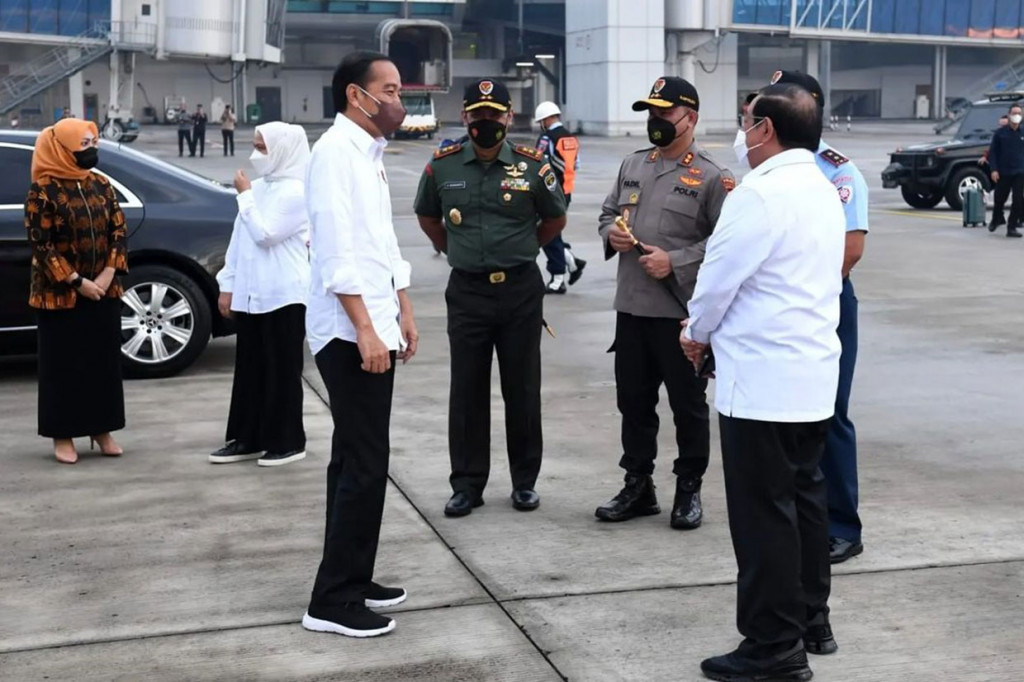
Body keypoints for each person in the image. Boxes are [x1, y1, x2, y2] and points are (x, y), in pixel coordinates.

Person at [680, 83, 845, 681]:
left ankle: (773, 647)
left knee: (763, 516)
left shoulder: (761, 194)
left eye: (747, 122)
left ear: (766, 130)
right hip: (810, 376)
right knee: (804, 502)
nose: (741, 133)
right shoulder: (825, 188)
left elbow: (717, 281)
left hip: (762, 382)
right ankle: (810, 621)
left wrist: (695, 332)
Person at [301, 51, 418, 638]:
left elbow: (382, 242)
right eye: (390, 89)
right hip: (350, 333)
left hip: (374, 322)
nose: (399, 99)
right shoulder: (332, 156)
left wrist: (403, 310)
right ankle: (334, 600)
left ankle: (351, 573)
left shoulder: (366, 153)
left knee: (353, 457)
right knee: (366, 463)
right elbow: (335, 254)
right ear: (357, 95)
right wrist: (367, 329)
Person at [414, 78, 567, 517]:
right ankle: (466, 483)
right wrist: (455, 250)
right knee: (467, 390)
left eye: (493, 115)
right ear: (464, 117)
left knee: (522, 388)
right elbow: (428, 216)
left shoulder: (532, 164)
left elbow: (554, 219)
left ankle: (524, 482)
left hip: (520, 289)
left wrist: (522, 250)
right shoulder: (443, 165)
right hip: (467, 292)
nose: (485, 122)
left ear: (508, 118)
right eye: (477, 114)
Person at [594, 77, 733, 531]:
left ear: (689, 118)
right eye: (650, 113)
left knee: (687, 408)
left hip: (679, 315)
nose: (655, 122)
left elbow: (728, 243)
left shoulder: (713, 177)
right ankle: (638, 485)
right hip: (631, 308)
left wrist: (675, 260)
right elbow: (606, 212)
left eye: (664, 114)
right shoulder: (634, 164)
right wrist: (610, 234)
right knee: (633, 403)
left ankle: (688, 488)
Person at [766, 70, 870, 565]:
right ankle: (800, 514)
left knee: (830, 413)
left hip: (825, 303)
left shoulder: (838, 171)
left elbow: (850, 251)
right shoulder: (765, 166)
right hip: (780, 306)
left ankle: (843, 525)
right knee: (785, 414)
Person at [24, 118, 128, 464]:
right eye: (83, 145)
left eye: (93, 143)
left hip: (104, 291)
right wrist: (77, 282)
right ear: (62, 149)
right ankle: (63, 435)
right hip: (61, 296)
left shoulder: (100, 184)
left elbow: (118, 229)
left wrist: (108, 273)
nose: (91, 150)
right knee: (64, 367)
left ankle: (102, 430)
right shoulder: (44, 190)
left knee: (102, 364)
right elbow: (42, 246)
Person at [210, 122, 311, 467]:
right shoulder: (260, 188)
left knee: (282, 369)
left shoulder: (298, 191)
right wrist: (228, 286)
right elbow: (238, 240)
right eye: (255, 146)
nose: (256, 155)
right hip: (252, 294)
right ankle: (247, 436)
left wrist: (244, 196)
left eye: (263, 148)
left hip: (284, 294)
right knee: (250, 368)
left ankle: (287, 441)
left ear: (283, 151)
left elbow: (266, 233)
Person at [534, 101, 586, 294]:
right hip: (566, 191)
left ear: (546, 119)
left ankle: (557, 278)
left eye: (541, 121)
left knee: (547, 233)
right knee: (551, 230)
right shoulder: (571, 138)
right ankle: (572, 262)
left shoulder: (547, 138)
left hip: (550, 192)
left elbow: (539, 163)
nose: (541, 124)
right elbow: (576, 164)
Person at [987, 103, 1024, 238]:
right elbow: (993, 153)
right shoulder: (1000, 134)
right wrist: (994, 170)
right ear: (1009, 115)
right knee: (999, 199)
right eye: (1014, 113)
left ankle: (1012, 227)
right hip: (1004, 172)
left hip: (1020, 172)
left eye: (1019, 113)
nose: (1017, 116)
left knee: (1018, 200)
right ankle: (996, 218)